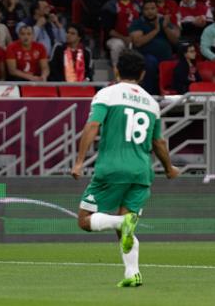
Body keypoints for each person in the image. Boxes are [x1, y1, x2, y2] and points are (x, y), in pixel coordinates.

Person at [71, 49, 180, 287]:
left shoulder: (107, 94)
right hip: (141, 172)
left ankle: (122, 223)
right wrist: (169, 168)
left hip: (112, 168)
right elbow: (158, 142)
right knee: (126, 227)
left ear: (117, 70)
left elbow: (93, 126)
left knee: (85, 220)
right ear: (142, 74)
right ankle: (132, 274)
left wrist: (79, 161)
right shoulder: (151, 103)